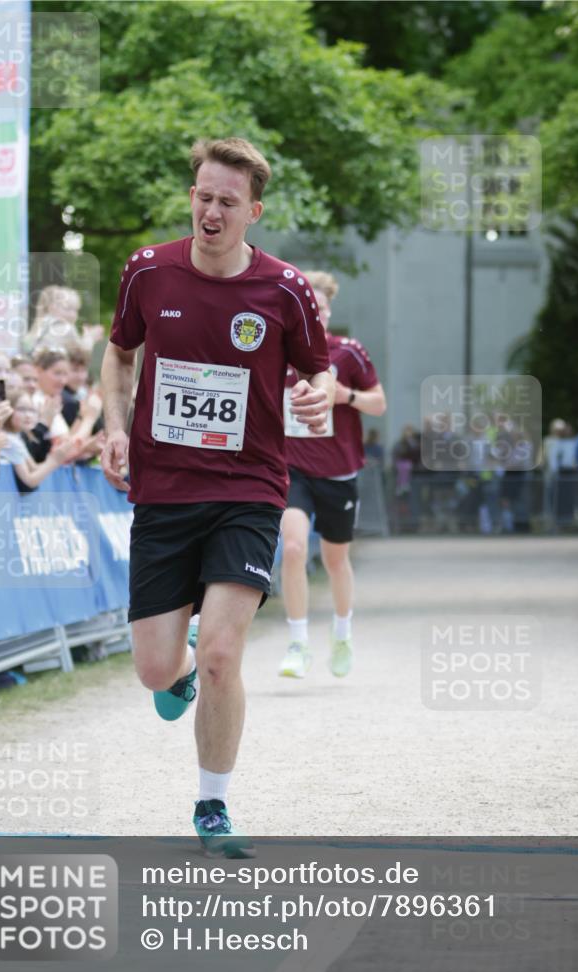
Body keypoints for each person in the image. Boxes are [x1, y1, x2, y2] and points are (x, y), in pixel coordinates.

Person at [100, 137, 333, 855]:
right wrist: (115, 427)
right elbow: (119, 354)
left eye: (227, 202)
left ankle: (212, 805)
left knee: (224, 657)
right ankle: (182, 663)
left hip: (248, 490)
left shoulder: (285, 289)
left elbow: (318, 370)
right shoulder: (147, 270)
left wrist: (320, 396)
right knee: (154, 669)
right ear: (192, 196)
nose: (211, 211)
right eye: (203, 196)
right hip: (164, 491)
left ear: (252, 212)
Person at [279, 270, 386, 680]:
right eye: (308, 308)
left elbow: (379, 404)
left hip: (339, 472)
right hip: (291, 469)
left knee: (335, 559)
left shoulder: (347, 352)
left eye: (320, 308)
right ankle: (297, 643)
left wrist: (346, 396)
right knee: (292, 548)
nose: (315, 314)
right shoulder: (278, 353)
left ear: (328, 311)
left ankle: (342, 633)